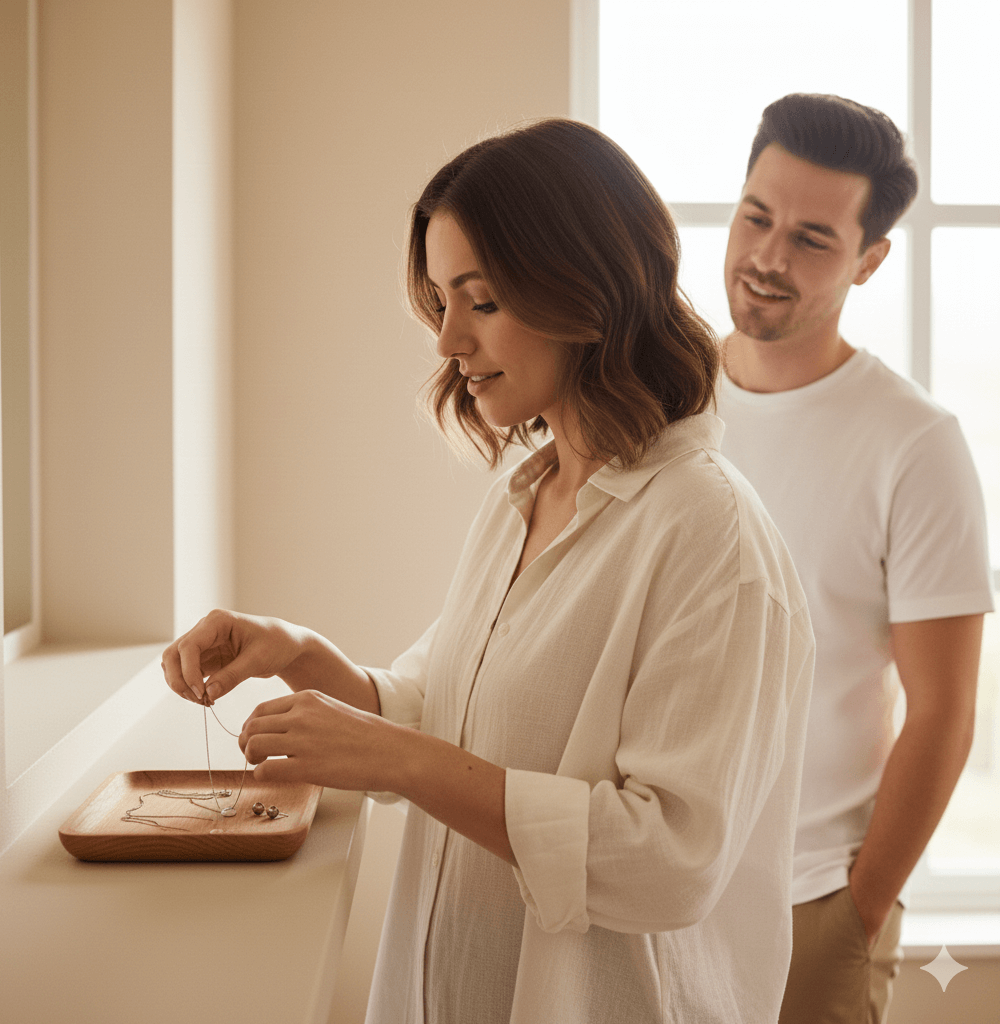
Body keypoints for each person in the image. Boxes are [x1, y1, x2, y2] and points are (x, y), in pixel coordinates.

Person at [163, 118, 815, 1024]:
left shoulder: (713, 538)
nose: (447, 341)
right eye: (439, 300)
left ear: (586, 289)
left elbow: (668, 863)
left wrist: (397, 758)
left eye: (483, 300)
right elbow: (451, 712)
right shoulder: (527, 487)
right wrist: (301, 654)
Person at [717, 93, 994, 1024]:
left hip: (811, 901)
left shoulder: (914, 444)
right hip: (640, 885)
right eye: (757, 217)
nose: (767, 257)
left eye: (811, 239)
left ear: (870, 259)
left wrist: (859, 913)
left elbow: (946, 710)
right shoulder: (658, 404)